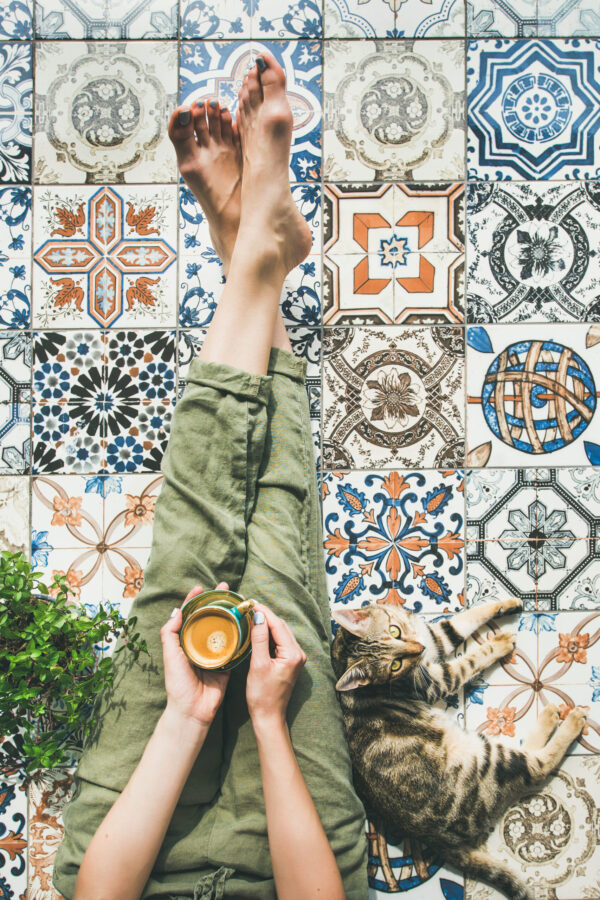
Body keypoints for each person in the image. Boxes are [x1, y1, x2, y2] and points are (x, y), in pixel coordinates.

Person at [52, 52, 369, 900]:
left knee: (194, 524)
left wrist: (190, 712)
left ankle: (255, 252)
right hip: (291, 859)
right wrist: (264, 718)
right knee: (278, 536)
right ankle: (256, 251)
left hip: (133, 849)